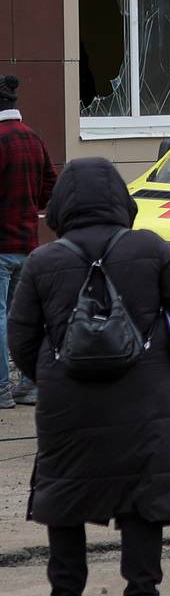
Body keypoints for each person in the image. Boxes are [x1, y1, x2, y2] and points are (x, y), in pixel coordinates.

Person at [6, 158, 170, 596]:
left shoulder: (43, 261)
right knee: (143, 501)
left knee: (67, 496)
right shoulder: (151, 248)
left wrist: (49, 377)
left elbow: (20, 337)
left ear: (61, 206)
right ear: (120, 199)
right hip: (146, 397)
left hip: (67, 403)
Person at [0, 74, 58, 410]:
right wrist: (28, 208)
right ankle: (30, 384)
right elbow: (51, 186)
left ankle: (2, 389)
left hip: (1, 248)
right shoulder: (33, 138)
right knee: (24, 317)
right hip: (27, 244)